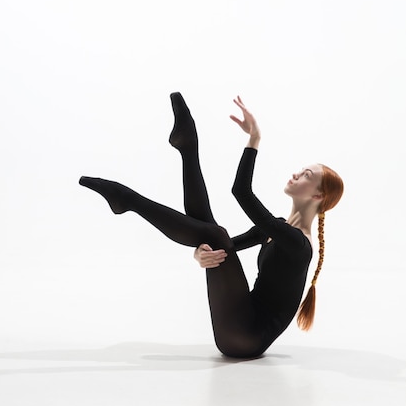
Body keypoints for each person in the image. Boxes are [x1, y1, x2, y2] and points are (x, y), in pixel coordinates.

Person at [79, 93, 343, 359]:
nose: (296, 174)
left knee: (214, 232)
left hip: (245, 338)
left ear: (318, 196)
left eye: (306, 176)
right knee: (212, 232)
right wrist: (200, 253)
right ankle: (186, 147)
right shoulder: (274, 228)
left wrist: (254, 139)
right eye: (301, 170)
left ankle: (130, 198)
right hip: (239, 318)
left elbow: (241, 191)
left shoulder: (298, 243)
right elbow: (225, 248)